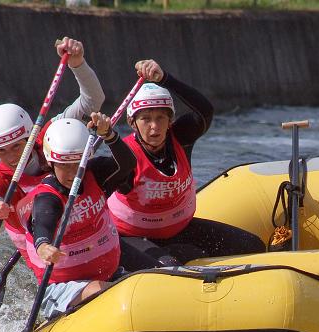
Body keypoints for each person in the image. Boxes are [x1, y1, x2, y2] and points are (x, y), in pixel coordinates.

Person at [109, 59, 266, 270]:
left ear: (170, 120)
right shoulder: (124, 155)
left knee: (252, 245)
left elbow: (205, 111)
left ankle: (182, 253)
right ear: (132, 123)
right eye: (146, 119)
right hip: (131, 236)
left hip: (180, 229)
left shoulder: (182, 138)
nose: (154, 127)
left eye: (160, 118)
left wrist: (165, 79)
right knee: (170, 267)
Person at [0, 37, 105, 263]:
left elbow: (93, 101)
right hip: (38, 249)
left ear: (31, 136)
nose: (11, 157)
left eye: (17, 146)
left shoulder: (53, 135)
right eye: (1, 151)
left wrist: (78, 64)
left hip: (81, 229)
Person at [21, 113, 136, 319]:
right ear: (51, 162)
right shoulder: (48, 197)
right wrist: (44, 246)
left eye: (77, 164)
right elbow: (43, 223)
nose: (72, 172)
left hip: (107, 273)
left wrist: (109, 134)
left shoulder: (96, 173)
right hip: (62, 287)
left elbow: (127, 164)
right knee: (104, 290)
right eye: (64, 165)